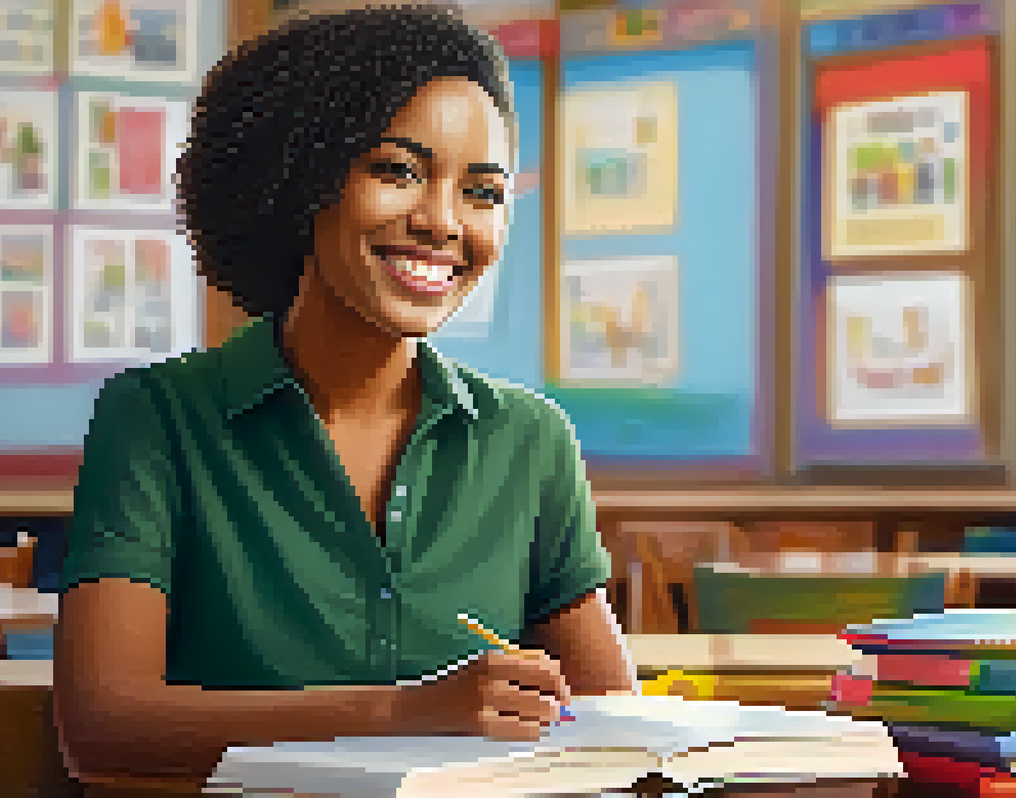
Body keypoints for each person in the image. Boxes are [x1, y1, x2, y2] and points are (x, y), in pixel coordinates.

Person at [54, 3, 637, 784]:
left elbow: (616, 730)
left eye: (483, 192)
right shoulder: (157, 418)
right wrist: (409, 710)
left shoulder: (529, 441)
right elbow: (105, 727)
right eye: (397, 171)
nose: (441, 222)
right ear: (302, 177)